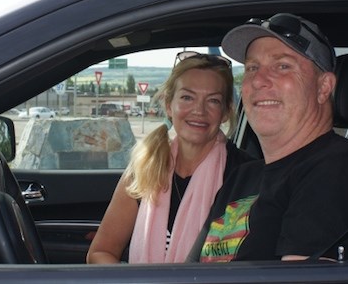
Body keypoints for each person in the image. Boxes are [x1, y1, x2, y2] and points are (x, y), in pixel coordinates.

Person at [187, 13, 348, 262]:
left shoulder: (339, 172)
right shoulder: (243, 175)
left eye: (282, 66)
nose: (258, 81)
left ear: (323, 87)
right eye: (252, 68)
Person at [86, 51, 254, 264]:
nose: (199, 110)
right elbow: (100, 252)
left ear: (225, 111)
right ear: (168, 105)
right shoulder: (145, 167)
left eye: (212, 101)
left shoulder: (247, 176)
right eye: (187, 97)